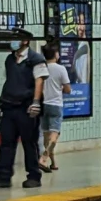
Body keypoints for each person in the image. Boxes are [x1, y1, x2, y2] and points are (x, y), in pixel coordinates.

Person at [0, 35, 45, 188]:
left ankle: (34, 176)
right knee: (7, 143)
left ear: (25, 41)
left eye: (16, 39)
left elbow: (40, 81)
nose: (12, 42)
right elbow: (10, 81)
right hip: (8, 106)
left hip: (26, 108)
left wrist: (36, 102)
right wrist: (0, 103)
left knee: (29, 143)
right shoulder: (10, 59)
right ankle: (3, 177)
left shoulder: (36, 59)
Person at [35, 43, 72, 173]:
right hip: (56, 105)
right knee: (54, 135)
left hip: (44, 105)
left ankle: (53, 163)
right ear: (56, 55)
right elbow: (68, 89)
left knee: (46, 136)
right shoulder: (61, 69)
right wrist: (61, 88)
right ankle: (44, 158)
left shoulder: (41, 68)